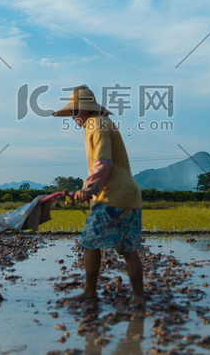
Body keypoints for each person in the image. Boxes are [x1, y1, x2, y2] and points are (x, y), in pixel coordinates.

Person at [53, 85, 144, 305]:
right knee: (129, 249)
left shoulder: (95, 124)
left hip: (111, 196)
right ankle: (139, 297)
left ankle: (90, 292)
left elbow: (103, 163)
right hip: (130, 195)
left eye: (76, 112)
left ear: (85, 110)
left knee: (89, 242)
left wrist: (88, 189)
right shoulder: (105, 123)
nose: (74, 117)